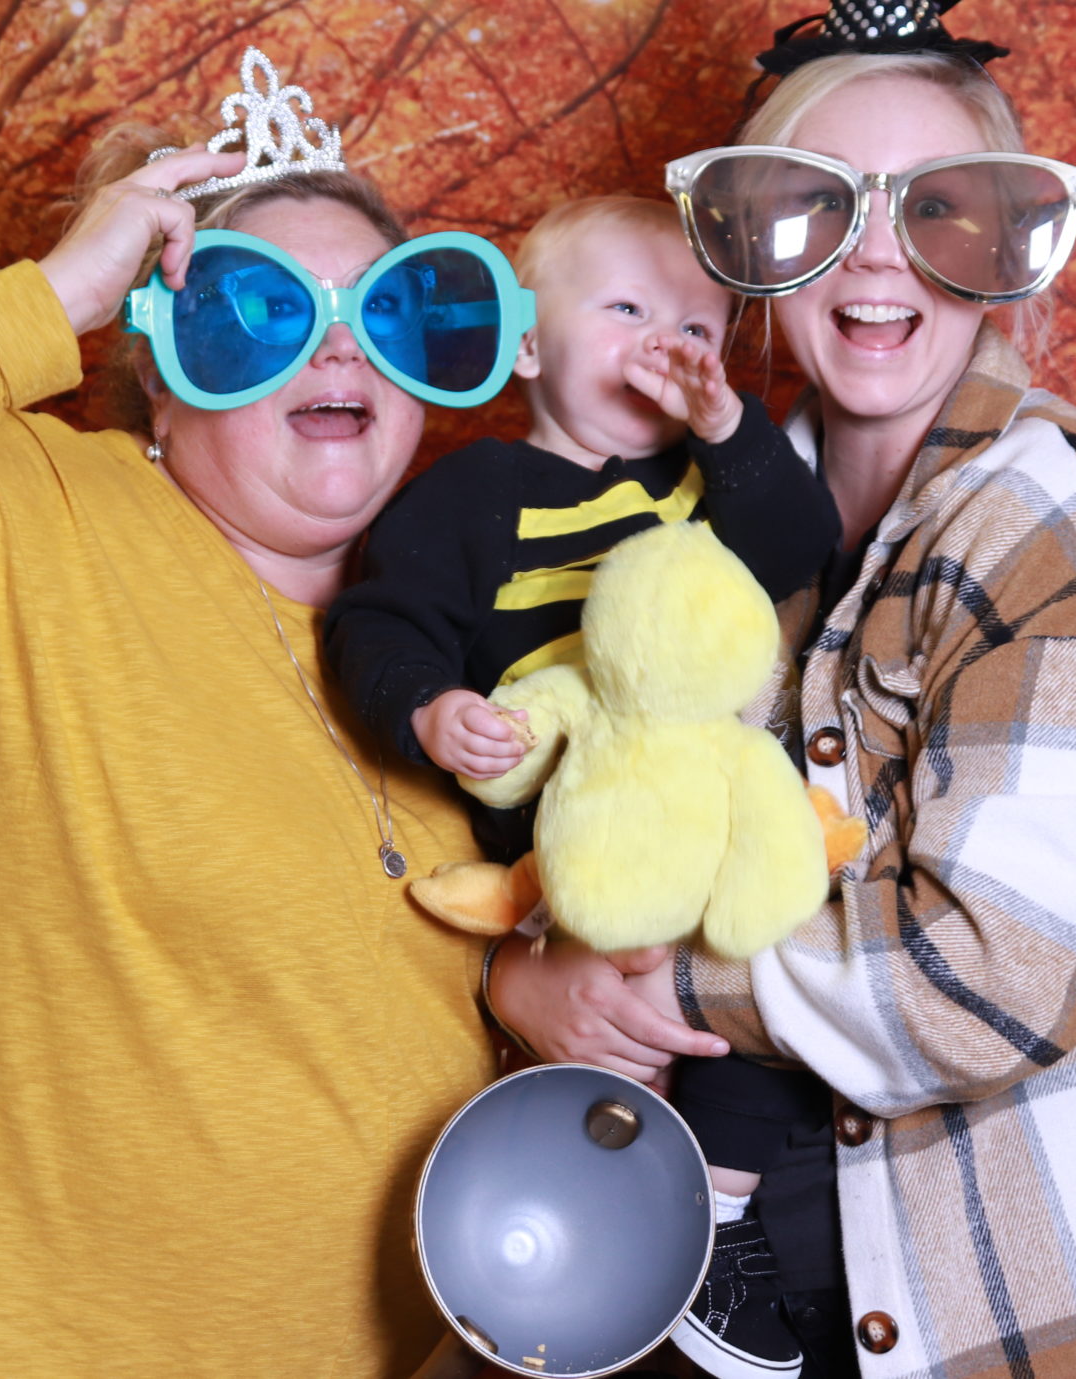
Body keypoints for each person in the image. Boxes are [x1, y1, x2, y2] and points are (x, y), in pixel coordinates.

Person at [485, 0, 1076, 1379]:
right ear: (747, 247)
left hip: (1031, 1327)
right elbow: (614, 810)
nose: (873, 254)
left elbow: (985, 971)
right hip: (761, 1293)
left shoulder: (1074, 519)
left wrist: (655, 984)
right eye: (816, 206)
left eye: (939, 211)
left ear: (1007, 251)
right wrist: (528, 974)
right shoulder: (701, 535)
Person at [0, 48, 506, 1379]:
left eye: (389, 313)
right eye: (260, 311)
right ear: (163, 363)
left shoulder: (463, 622)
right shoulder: (11, 515)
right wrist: (59, 289)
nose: (339, 345)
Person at [323, 195, 841, 1379]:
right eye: (626, 310)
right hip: (565, 844)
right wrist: (430, 710)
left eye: (699, 327)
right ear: (524, 345)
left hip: (707, 824)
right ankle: (577, 1252)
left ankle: (718, 1222)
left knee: (758, 1015)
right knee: (603, 1049)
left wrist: (730, 430)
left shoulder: (707, 486)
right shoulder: (473, 496)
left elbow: (798, 545)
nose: (669, 343)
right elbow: (377, 624)